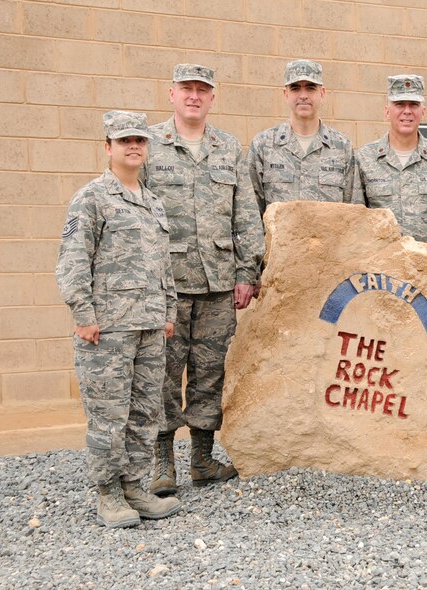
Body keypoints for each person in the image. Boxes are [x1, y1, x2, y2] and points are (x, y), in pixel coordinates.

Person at [56, 110, 181, 528]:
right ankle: (108, 492)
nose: (133, 146)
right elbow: (74, 259)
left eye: (140, 140)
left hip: (149, 327)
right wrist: (83, 313)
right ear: (108, 146)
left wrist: (167, 313)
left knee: (146, 411)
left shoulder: (153, 203)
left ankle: (135, 486)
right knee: (109, 414)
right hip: (106, 329)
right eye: (124, 140)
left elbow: (164, 265)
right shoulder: (91, 198)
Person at [145, 64, 265, 496]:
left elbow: (246, 215)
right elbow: (139, 217)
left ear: (213, 98)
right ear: (171, 94)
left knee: (210, 373)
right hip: (169, 285)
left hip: (218, 284)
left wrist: (247, 271)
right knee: (163, 374)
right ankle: (163, 464)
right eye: (186, 89)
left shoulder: (229, 147)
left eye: (202, 90)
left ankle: (201, 459)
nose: (194, 96)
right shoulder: (150, 146)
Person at [354, 74, 427, 248]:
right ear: (387, 111)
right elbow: (358, 215)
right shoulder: (364, 158)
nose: (407, 111)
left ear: (422, 112)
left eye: (414, 105)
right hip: (382, 265)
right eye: (400, 104)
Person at [247, 59, 359, 214]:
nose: (303, 96)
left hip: (329, 239)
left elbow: (353, 211)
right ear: (286, 94)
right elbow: (250, 211)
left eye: (311, 88)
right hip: (279, 239)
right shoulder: (263, 146)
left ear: (322, 93)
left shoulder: (342, 148)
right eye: (295, 88)